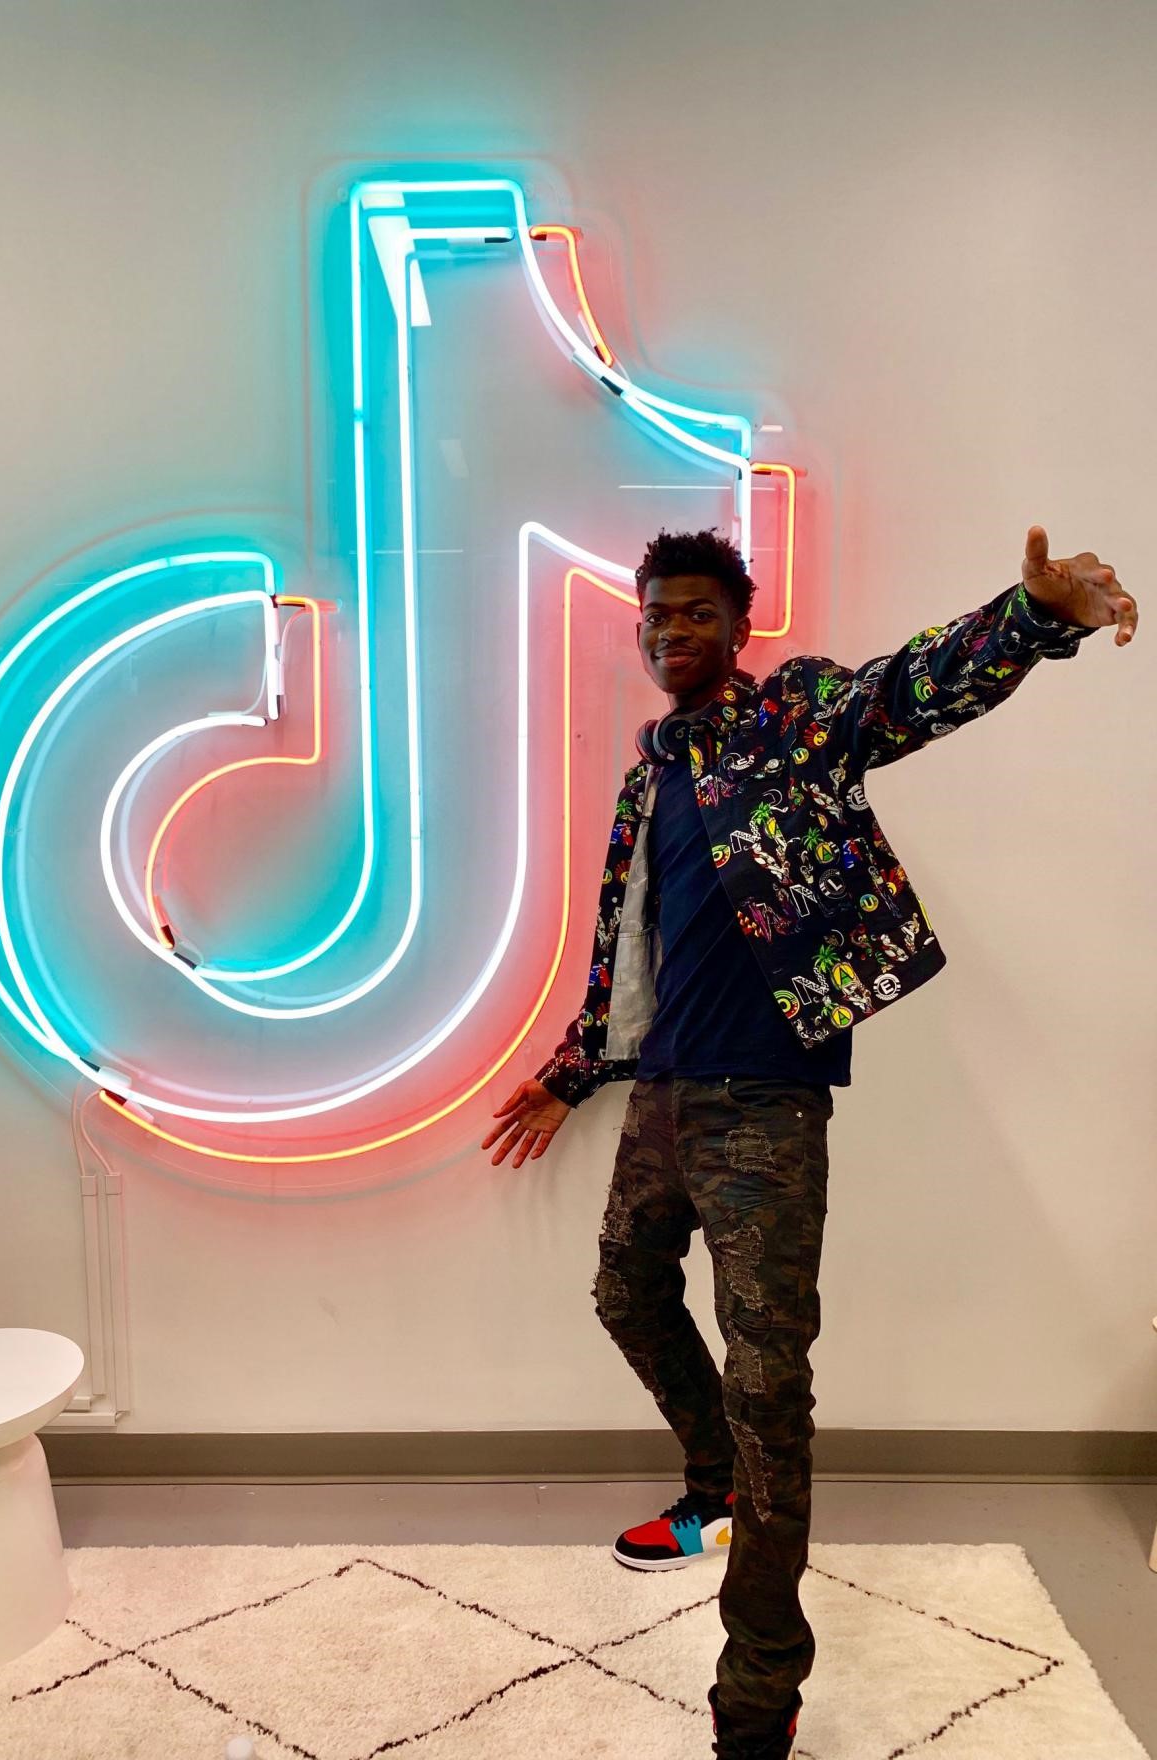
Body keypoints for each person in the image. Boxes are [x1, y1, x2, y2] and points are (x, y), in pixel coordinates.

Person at [482, 524, 1136, 1760]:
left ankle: (759, 1686)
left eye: (698, 611)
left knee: (769, 1383)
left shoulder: (793, 718)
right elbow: (635, 951)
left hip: (766, 1108)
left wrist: (1035, 616)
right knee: (625, 1291)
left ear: (740, 625)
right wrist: (575, 1074)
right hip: (663, 1097)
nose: (673, 629)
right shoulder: (649, 775)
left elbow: (909, 689)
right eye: (657, 613)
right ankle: (715, 1486)